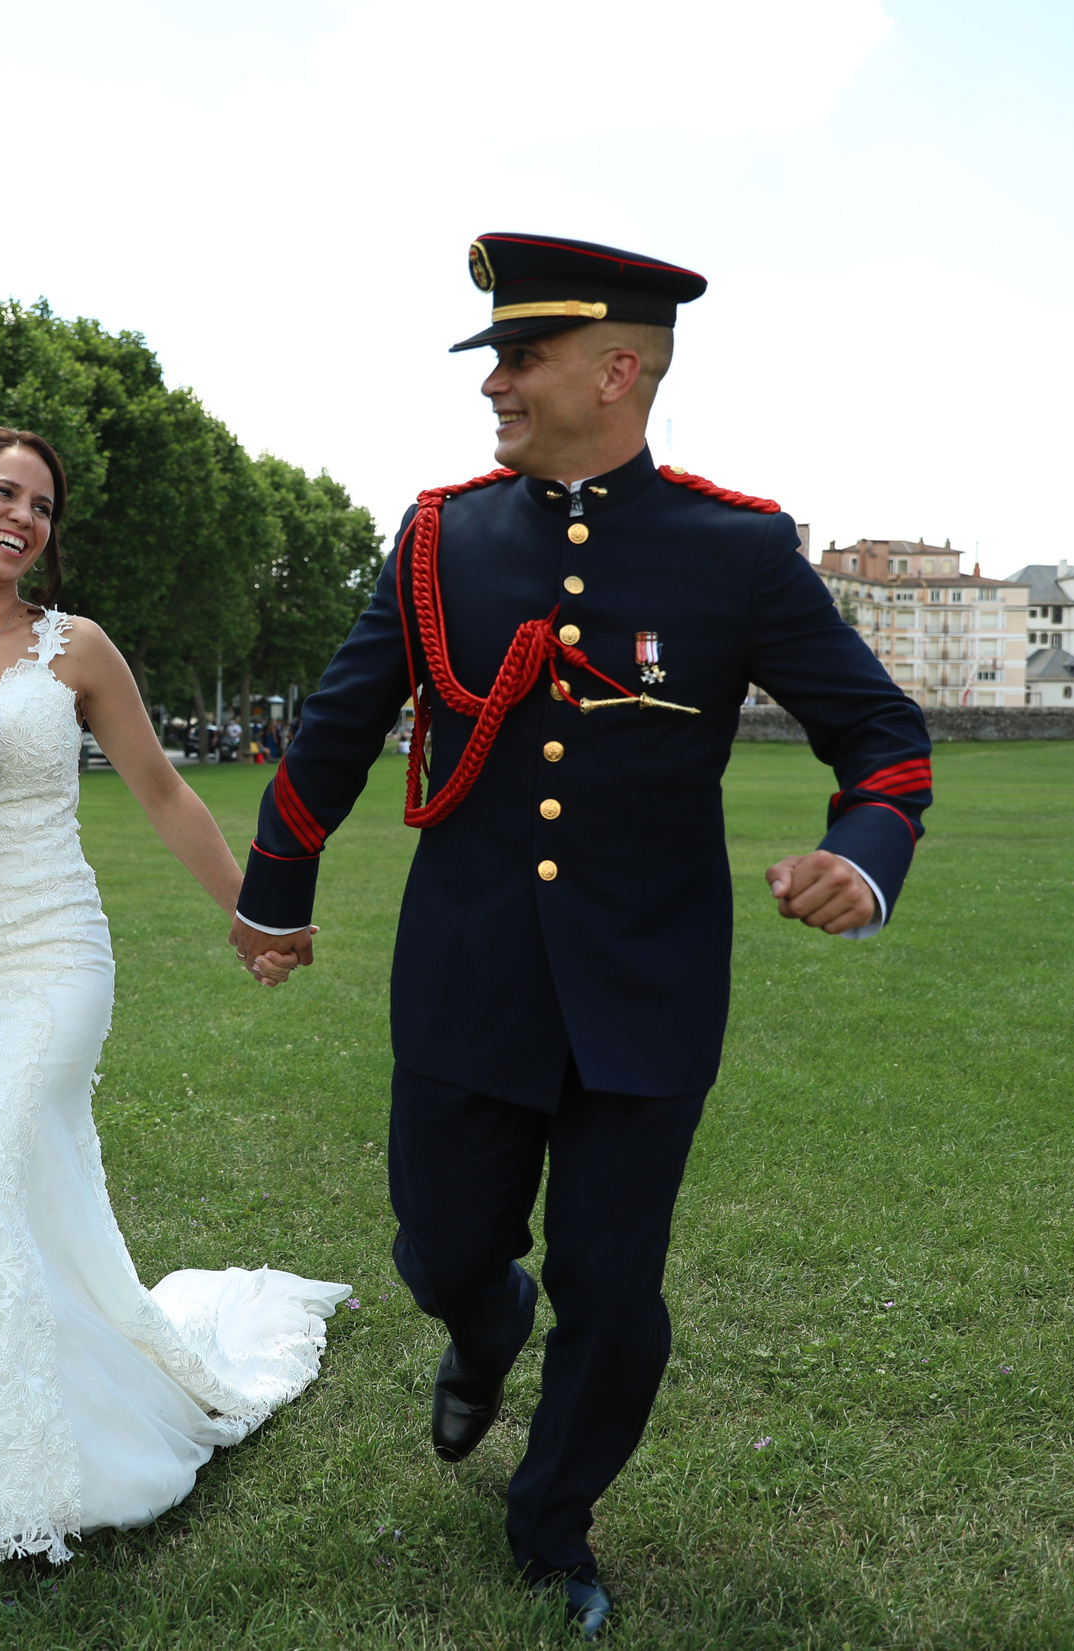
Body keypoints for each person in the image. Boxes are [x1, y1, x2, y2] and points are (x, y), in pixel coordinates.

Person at [227, 235, 933, 1638]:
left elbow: (882, 738)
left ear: (616, 371)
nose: (495, 380)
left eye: (520, 356)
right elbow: (345, 718)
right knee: (439, 1247)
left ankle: (550, 1518)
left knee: (615, 1294)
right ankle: (485, 1326)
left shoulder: (736, 550)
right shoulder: (439, 535)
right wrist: (278, 882)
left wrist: (864, 857)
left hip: (647, 986)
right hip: (468, 974)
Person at [0, 425, 345, 1565]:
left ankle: (30, 1467)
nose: (25, 517)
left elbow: (164, 795)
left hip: (47, 957)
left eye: (44, 506)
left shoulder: (76, 650)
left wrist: (252, 913)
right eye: (5, 493)